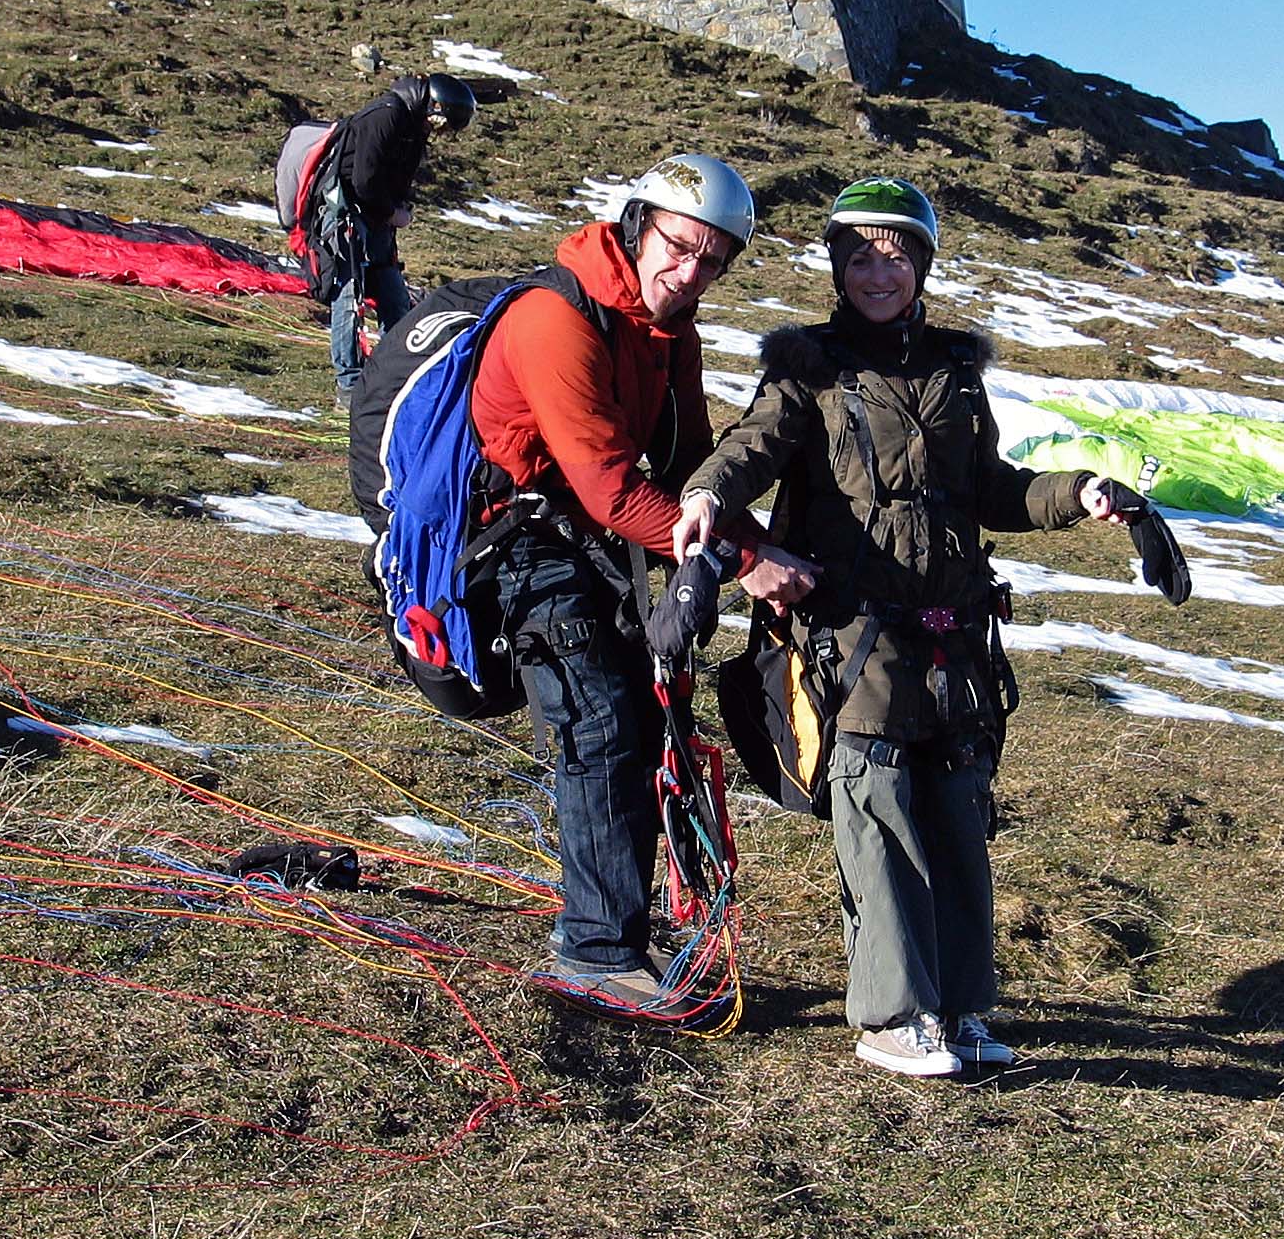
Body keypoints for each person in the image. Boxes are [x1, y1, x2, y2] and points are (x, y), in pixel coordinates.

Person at [673, 177, 1143, 1077]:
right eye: (857, 255)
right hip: (852, 630)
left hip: (954, 629)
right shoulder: (806, 364)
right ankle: (892, 1016)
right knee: (878, 802)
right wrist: (707, 493)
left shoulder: (957, 371)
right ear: (836, 268)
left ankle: (962, 1008)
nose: (876, 270)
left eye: (894, 253)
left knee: (955, 809)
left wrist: (1075, 494)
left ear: (922, 263)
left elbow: (992, 488)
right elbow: (750, 447)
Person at [471, 153, 820, 1008]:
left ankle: (615, 933)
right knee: (602, 726)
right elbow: (611, 488)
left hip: (595, 543)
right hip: (520, 545)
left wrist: (766, 546)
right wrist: (744, 563)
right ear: (638, 227)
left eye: (713, 260)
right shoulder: (557, 318)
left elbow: (690, 467)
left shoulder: (673, 330)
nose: (690, 270)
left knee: (636, 719)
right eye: (678, 246)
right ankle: (595, 953)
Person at [324, 72, 478, 403]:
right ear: (433, 108)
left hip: (378, 222)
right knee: (350, 296)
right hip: (349, 216)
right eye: (441, 126)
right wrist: (392, 213)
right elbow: (364, 182)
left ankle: (399, 375)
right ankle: (350, 386)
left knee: (395, 299)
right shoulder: (385, 117)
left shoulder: (411, 127)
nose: (438, 134)